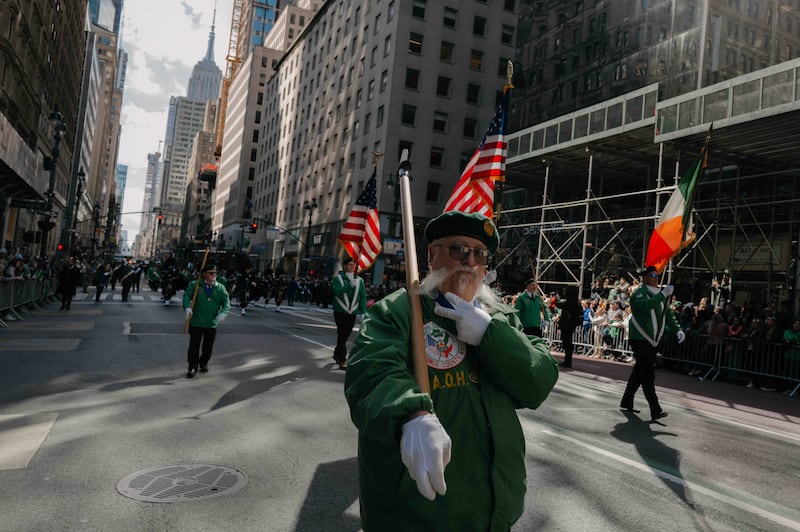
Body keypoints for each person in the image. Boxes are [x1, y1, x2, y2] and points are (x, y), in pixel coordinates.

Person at [344, 211, 558, 531]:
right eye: (458, 249)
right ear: (431, 255)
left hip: (494, 509)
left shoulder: (501, 317)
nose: (469, 260)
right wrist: (411, 413)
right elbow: (371, 374)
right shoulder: (401, 311)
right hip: (419, 511)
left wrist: (491, 334)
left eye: (480, 253)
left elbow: (537, 381)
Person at [620, 266, 685, 420]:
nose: (656, 277)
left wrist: (678, 329)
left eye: (657, 275)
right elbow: (645, 307)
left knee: (638, 372)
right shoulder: (639, 293)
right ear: (644, 277)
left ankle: (626, 401)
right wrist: (663, 294)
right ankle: (655, 409)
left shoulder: (658, 295)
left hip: (652, 340)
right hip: (640, 338)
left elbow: (667, 314)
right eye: (653, 275)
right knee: (648, 374)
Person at [182, 264, 230, 378]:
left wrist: (224, 313)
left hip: (211, 323)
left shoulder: (220, 288)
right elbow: (187, 296)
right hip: (196, 321)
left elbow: (226, 303)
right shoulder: (195, 285)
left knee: (208, 347)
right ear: (204, 274)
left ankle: (203, 363)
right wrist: (187, 307)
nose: (214, 275)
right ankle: (192, 367)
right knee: (194, 346)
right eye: (211, 273)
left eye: (215, 273)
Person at [332, 257, 366, 369]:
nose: (353, 266)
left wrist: (363, 311)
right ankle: (343, 359)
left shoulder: (360, 281)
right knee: (342, 334)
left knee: (345, 335)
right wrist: (348, 286)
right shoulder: (338, 279)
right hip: (340, 311)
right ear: (345, 266)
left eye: (354, 265)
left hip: (352, 312)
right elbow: (337, 292)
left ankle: (337, 353)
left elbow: (362, 296)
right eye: (350, 264)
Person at [556, 285, 582, 368]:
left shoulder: (571, 301)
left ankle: (568, 361)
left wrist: (556, 299)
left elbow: (560, 305)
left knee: (567, 343)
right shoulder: (576, 301)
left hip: (567, 324)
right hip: (571, 324)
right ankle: (567, 360)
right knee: (567, 342)